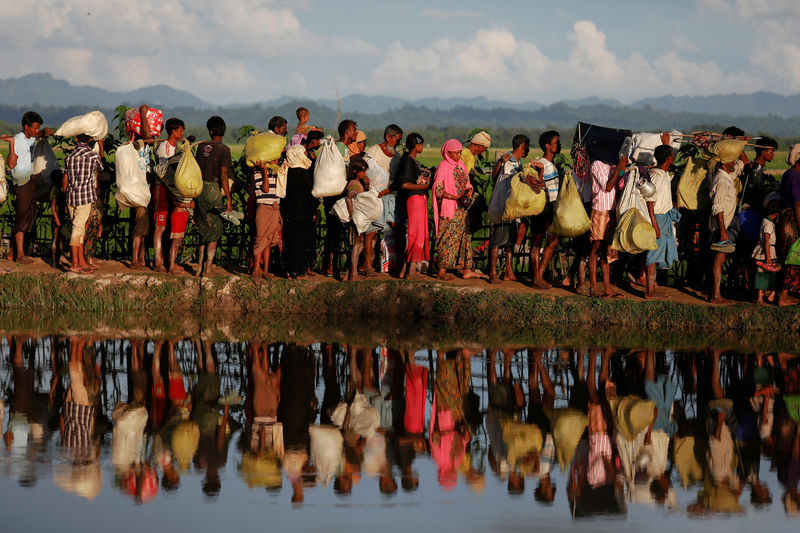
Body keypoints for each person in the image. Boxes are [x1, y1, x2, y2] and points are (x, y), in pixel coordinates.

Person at [4, 111, 53, 264]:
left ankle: (12, 253)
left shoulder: (30, 138)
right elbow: (11, 164)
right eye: (34, 128)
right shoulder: (18, 140)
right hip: (22, 183)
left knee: (28, 216)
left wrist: (44, 132)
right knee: (22, 219)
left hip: (30, 182)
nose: (36, 131)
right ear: (26, 127)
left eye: (38, 128)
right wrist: (11, 145)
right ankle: (20, 255)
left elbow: (37, 136)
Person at [433, 139, 483, 281]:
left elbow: (467, 183)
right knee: (446, 238)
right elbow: (438, 190)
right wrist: (455, 197)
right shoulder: (443, 167)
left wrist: (467, 193)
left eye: (460, 152)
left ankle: (466, 268)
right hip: (449, 208)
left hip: (462, 209)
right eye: (455, 153)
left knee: (464, 237)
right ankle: (442, 271)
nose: (458, 156)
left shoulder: (461, 165)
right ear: (447, 153)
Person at [487, 134, 531, 284]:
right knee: (497, 240)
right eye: (527, 147)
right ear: (522, 146)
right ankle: (492, 273)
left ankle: (509, 271)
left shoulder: (518, 162)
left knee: (509, 241)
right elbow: (494, 175)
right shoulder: (507, 160)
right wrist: (500, 162)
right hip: (502, 206)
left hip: (512, 208)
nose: (528, 150)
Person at [194, 116, 232, 277]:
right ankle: (208, 268)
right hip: (214, 189)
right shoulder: (224, 149)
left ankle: (198, 268)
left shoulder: (201, 146)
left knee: (203, 228)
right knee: (214, 229)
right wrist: (228, 198)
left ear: (210, 131)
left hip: (200, 189)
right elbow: (224, 176)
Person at [282, 131, 323, 279]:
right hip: (303, 212)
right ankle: (299, 270)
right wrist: (315, 207)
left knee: (291, 241)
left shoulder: (288, 170)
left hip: (290, 211)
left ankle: (290, 269)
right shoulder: (302, 171)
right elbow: (309, 192)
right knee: (301, 241)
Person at [63, 134, 104, 273]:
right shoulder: (93, 156)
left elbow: (65, 179)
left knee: (79, 228)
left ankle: (81, 261)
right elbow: (101, 168)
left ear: (75, 139)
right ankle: (75, 264)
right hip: (85, 196)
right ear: (90, 140)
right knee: (78, 228)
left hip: (71, 195)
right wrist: (101, 146)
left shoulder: (69, 157)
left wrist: (65, 198)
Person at [589, 155, 628, 297]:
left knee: (608, 251)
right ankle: (593, 287)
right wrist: (619, 167)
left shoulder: (611, 166)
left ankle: (607, 287)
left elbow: (620, 185)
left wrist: (621, 169)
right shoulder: (597, 163)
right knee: (596, 249)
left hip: (611, 211)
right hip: (600, 210)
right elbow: (608, 187)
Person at [645, 144, 680, 299]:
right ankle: (649, 291)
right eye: (672, 155)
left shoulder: (664, 174)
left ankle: (652, 288)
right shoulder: (656, 176)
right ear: (669, 158)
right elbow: (649, 200)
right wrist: (654, 223)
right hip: (657, 218)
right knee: (653, 253)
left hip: (663, 217)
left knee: (657, 252)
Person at [529, 131, 562, 289]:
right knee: (537, 242)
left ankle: (539, 276)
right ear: (547, 146)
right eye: (555, 143)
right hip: (542, 207)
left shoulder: (550, 164)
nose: (558, 145)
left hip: (550, 206)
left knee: (552, 241)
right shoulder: (540, 164)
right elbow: (536, 185)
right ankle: (537, 278)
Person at [153, 118, 185, 273]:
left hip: (173, 190)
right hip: (162, 189)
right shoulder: (164, 148)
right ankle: (159, 262)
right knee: (160, 226)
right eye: (180, 131)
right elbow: (166, 172)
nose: (182, 133)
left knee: (171, 226)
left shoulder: (177, 148)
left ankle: (169, 261)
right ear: (173, 131)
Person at [708, 156, 742, 303]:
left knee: (719, 258)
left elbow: (742, 164)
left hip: (725, 224)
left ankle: (714, 293)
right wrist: (722, 230)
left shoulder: (726, 176)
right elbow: (718, 207)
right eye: (731, 159)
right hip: (722, 225)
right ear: (723, 162)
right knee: (720, 258)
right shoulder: (722, 180)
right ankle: (716, 295)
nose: (734, 162)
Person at [397, 133, 430, 279]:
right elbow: (405, 184)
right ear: (416, 145)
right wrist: (424, 186)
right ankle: (411, 272)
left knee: (417, 233)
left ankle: (405, 270)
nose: (422, 147)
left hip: (417, 199)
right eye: (421, 144)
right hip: (414, 199)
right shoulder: (409, 161)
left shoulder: (411, 160)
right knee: (416, 234)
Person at [776, 144, 800, 306]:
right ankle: (783, 297)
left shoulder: (788, 174)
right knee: (793, 257)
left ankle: (782, 294)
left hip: (785, 219)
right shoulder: (796, 176)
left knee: (788, 257)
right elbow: (798, 204)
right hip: (792, 220)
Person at [251, 159, 282, 280]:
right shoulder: (257, 172)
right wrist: (264, 171)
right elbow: (266, 189)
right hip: (264, 209)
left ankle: (266, 271)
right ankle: (256, 270)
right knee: (260, 240)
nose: (276, 160)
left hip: (275, 208)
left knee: (268, 241)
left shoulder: (275, 171)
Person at [753, 192, 781, 304]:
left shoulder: (766, 221)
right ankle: (760, 298)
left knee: (767, 274)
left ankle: (767, 295)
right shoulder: (768, 224)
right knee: (762, 274)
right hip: (766, 252)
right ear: (776, 212)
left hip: (768, 251)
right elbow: (766, 240)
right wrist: (768, 257)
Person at [346, 158, 371, 281]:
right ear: (355, 171)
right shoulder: (355, 184)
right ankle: (353, 274)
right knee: (357, 246)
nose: (364, 174)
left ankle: (349, 274)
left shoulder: (356, 183)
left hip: (357, 219)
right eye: (362, 171)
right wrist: (352, 216)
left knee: (358, 245)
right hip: (356, 220)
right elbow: (349, 199)